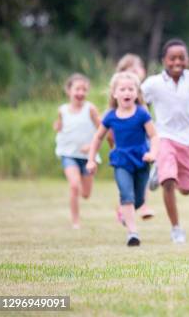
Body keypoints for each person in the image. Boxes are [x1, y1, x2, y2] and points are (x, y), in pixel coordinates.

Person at [141, 39, 189, 244]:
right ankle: (176, 229)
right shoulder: (154, 83)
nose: (177, 62)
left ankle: (159, 172)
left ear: (187, 60)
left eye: (181, 58)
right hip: (163, 137)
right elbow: (139, 100)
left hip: (188, 140)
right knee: (168, 183)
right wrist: (146, 123)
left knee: (186, 189)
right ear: (164, 60)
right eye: (172, 58)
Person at [87, 72, 159, 246]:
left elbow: (155, 136)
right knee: (126, 194)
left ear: (137, 93)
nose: (127, 92)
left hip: (142, 160)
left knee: (139, 199)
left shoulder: (142, 114)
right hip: (121, 161)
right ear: (114, 93)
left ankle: (124, 213)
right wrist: (91, 159)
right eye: (122, 89)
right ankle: (132, 233)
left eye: (131, 89)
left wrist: (153, 153)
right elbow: (98, 138)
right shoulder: (110, 116)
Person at [54, 73, 101, 229]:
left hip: (88, 156)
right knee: (74, 185)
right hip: (68, 154)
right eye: (77, 89)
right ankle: (75, 222)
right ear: (68, 90)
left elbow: (102, 129)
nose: (80, 93)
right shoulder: (62, 110)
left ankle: (81, 195)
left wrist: (91, 146)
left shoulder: (90, 109)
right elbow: (60, 126)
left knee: (86, 194)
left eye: (84, 89)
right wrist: (58, 126)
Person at [113, 54, 154, 220]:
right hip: (125, 146)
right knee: (127, 184)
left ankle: (142, 204)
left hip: (144, 141)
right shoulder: (121, 94)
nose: (133, 75)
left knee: (143, 174)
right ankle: (127, 208)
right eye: (128, 71)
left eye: (136, 70)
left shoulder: (143, 92)